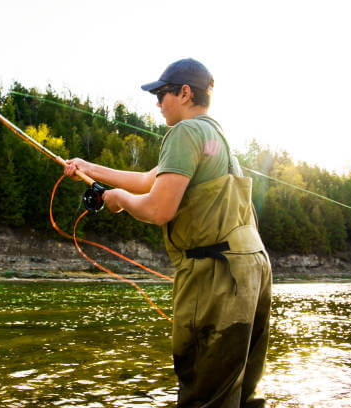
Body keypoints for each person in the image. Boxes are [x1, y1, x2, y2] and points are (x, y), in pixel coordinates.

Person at [64, 58, 272, 408]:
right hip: (252, 272)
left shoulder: (184, 132)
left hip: (216, 276)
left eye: (162, 94)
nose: (157, 103)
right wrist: (89, 168)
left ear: (185, 93)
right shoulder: (215, 135)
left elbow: (159, 209)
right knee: (239, 392)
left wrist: (117, 200)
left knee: (203, 394)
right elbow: (149, 180)